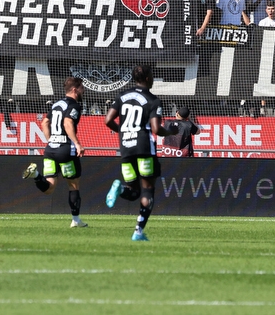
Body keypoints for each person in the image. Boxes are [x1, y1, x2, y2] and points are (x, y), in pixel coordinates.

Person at [104, 64, 179, 241]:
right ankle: (138, 231)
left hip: (126, 147)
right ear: (146, 78)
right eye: (152, 75)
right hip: (144, 146)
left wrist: (123, 132)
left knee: (133, 191)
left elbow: (108, 120)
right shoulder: (153, 100)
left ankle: (120, 188)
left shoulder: (122, 96)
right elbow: (155, 128)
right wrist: (170, 132)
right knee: (147, 190)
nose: (153, 78)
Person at [21, 77, 88, 228]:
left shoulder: (57, 104)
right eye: (82, 88)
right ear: (75, 90)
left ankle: (36, 175)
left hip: (50, 150)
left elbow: (45, 122)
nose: (84, 91)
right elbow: (67, 122)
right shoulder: (74, 105)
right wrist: (77, 144)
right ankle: (76, 221)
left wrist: (50, 140)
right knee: (73, 185)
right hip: (66, 149)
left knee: (49, 188)